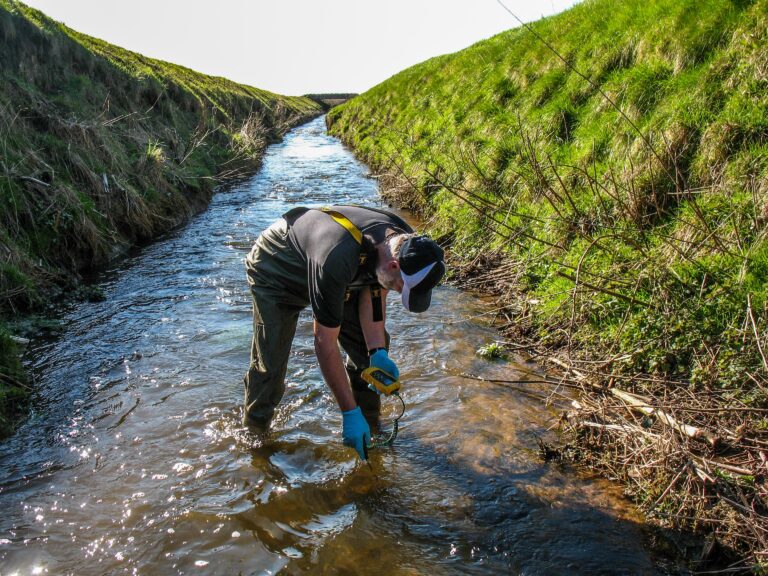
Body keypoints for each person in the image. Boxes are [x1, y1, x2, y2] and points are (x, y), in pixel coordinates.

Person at [243, 204, 445, 460]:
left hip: (332, 268)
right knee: (271, 364)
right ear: (394, 265)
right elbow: (324, 342)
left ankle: (371, 428)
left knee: (368, 352)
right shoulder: (336, 258)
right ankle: (255, 439)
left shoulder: (406, 244)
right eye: (400, 287)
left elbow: (375, 289)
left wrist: (377, 352)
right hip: (278, 267)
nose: (397, 291)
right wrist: (348, 412)